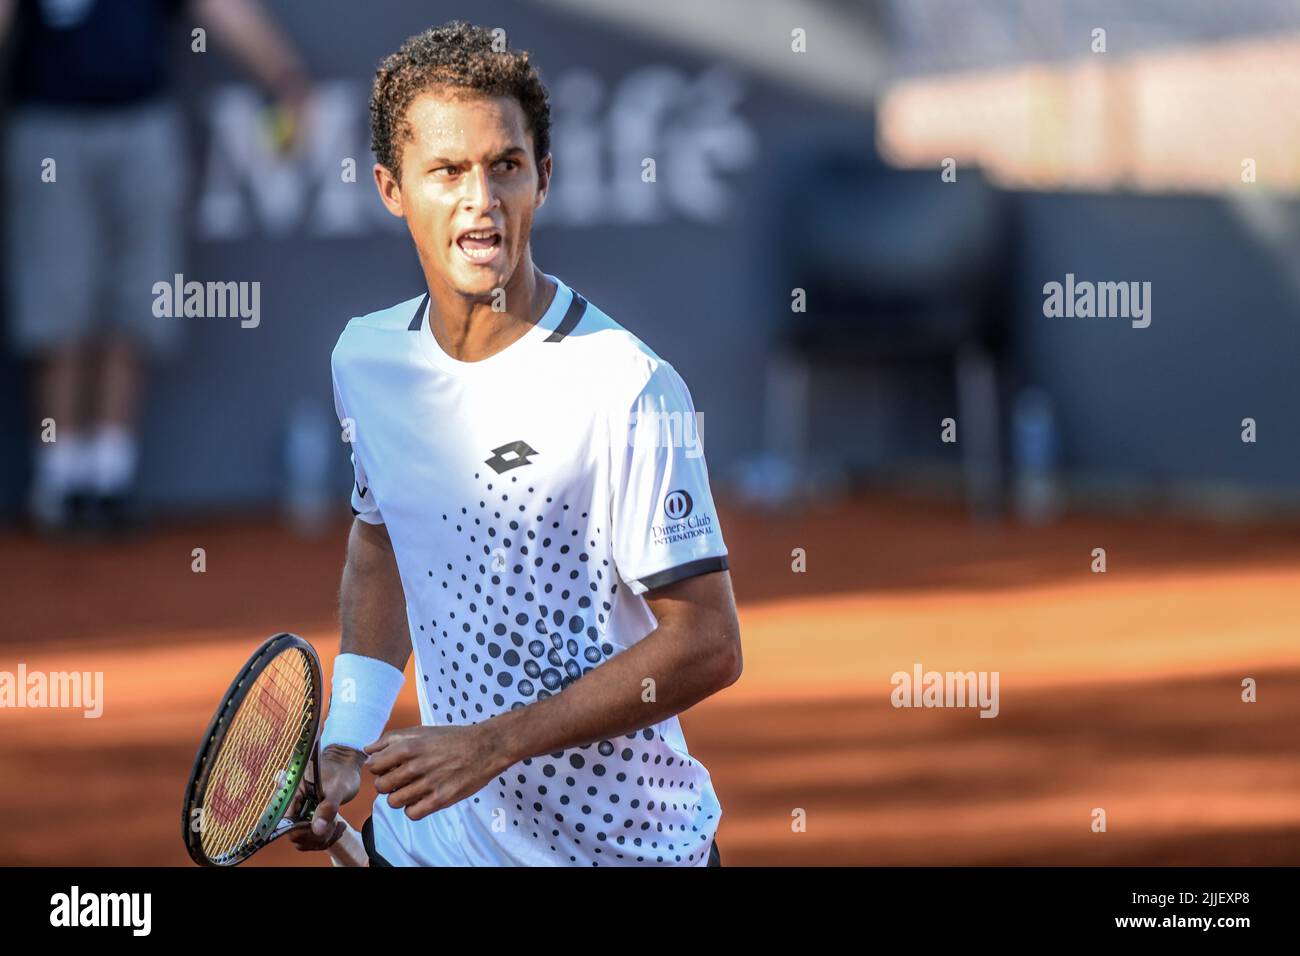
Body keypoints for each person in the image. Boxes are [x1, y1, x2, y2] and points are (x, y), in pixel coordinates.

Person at [291, 21, 742, 866]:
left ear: (543, 179)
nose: (480, 199)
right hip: (438, 843)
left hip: (625, 851)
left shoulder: (627, 386)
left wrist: (490, 744)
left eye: (506, 166)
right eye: (448, 171)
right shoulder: (367, 359)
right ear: (392, 188)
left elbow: (708, 645)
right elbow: (383, 542)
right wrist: (349, 737)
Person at [0, 0, 310, 533]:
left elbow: (219, 6)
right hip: (48, 126)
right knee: (58, 299)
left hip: (144, 123)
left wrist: (283, 73)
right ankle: (59, 481)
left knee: (139, 300)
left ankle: (110, 480)